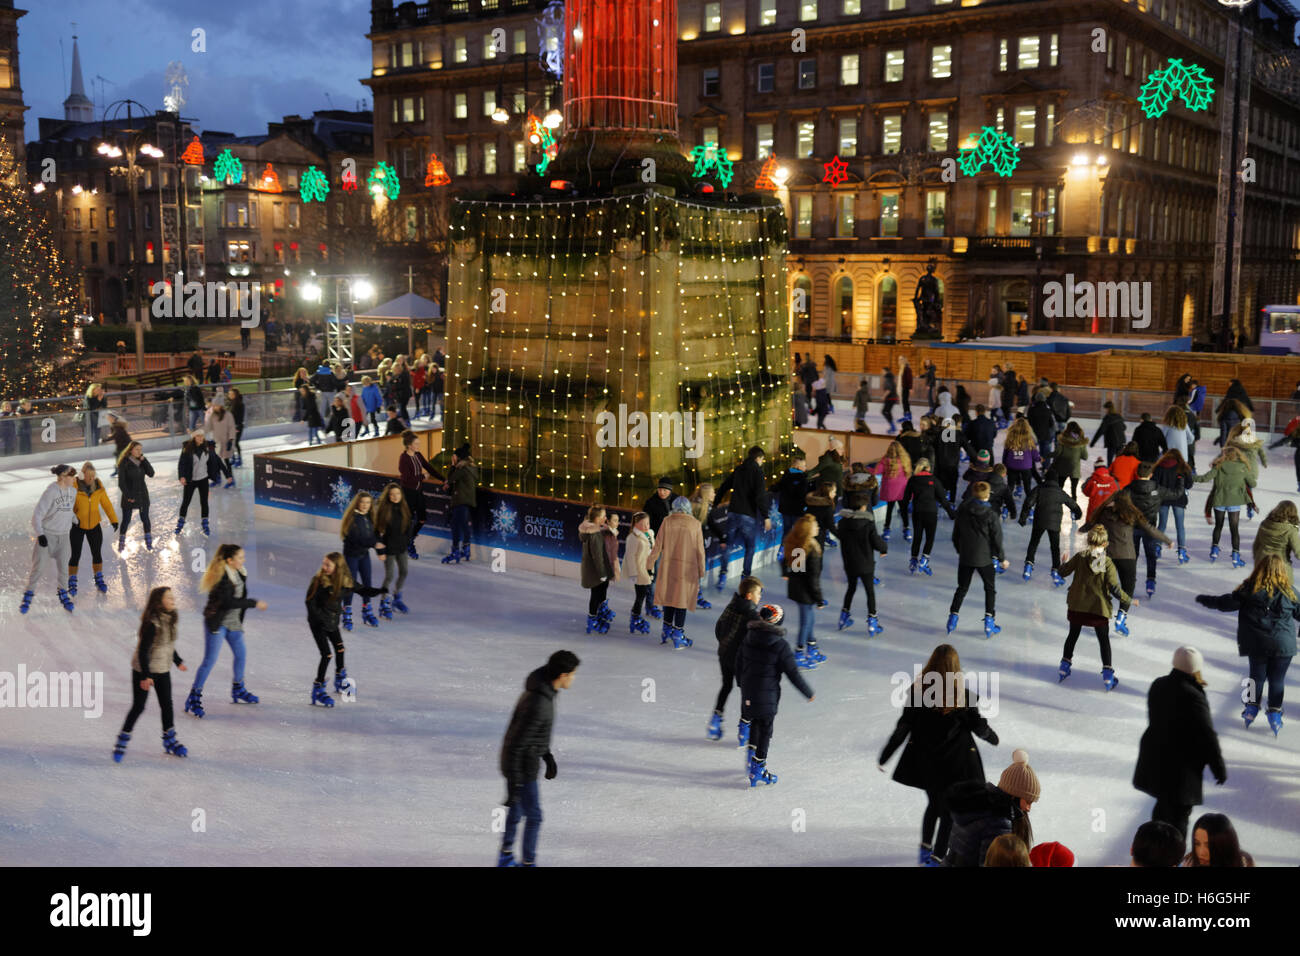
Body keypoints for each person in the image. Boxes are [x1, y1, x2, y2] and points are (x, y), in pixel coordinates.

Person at [878, 643, 999, 866]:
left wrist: (885, 755)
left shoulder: (917, 693)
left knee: (934, 805)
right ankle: (936, 859)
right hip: (956, 765)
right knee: (948, 814)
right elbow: (978, 726)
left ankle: (926, 850)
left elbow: (903, 727)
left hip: (926, 763)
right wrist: (993, 738)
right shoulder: (962, 696)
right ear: (955, 667)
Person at [1196, 553, 1297, 735]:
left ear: (1259, 569)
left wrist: (1205, 600)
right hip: (1283, 644)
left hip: (1257, 643)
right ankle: (1274, 712)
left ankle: (1251, 708)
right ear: (1283, 571)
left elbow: (1225, 603)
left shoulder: (1249, 589)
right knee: (1277, 680)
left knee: (1255, 677)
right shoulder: (1290, 592)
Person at [497, 649, 581, 867]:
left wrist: (547, 755)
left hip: (522, 760)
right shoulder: (540, 703)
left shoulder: (543, 690)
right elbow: (518, 743)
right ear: (562, 676)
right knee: (534, 817)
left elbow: (533, 734)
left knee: (517, 810)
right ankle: (527, 863)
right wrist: (515, 781)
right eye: (572, 674)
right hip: (522, 766)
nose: (574, 678)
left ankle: (505, 856)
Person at [1133, 646, 1227, 840]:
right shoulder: (1193, 695)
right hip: (1182, 767)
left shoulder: (1158, 684)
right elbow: (1207, 734)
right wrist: (1218, 766)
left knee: (1163, 808)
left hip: (1157, 756)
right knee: (1179, 817)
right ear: (1195, 668)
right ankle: (1170, 855)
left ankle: (1154, 849)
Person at [736, 604, 815, 787]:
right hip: (767, 696)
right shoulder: (780, 645)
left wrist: (741, 683)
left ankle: (750, 759)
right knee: (765, 730)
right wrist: (808, 693)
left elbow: (738, 661)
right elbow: (793, 673)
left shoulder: (748, 637)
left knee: (754, 723)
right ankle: (758, 770)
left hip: (748, 692)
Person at [186, 544, 267, 719]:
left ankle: (238, 689)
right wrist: (254, 603)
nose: (243, 560)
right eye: (240, 557)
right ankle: (194, 696)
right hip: (217, 622)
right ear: (230, 560)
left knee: (241, 655)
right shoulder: (221, 578)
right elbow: (229, 602)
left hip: (233, 623)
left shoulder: (239, 572)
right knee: (210, 661)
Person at [113, 587, 189, 762]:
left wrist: (177, 661)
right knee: (139, 706)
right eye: (168, 598)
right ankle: (122, 740)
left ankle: (169, 740)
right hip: (143, 669)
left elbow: (168, 644)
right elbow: (143, 652)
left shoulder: (170, 619)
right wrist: (146, 676)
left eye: (172, 597)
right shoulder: (152, 623)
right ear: (158, 602)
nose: (173, 600)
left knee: (167, 705)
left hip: (162, 669)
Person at [1056, 525, 1130, 689]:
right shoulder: (1107, 562)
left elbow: (1063, 572)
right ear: (1105, 544)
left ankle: (1064, 666)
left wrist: (1062, 563)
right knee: (1103, 641)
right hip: (1098, 608)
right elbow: (1114, 587)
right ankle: (1107, 675)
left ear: (1089, 541)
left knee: (1072, 635)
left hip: (1077, 605)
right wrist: (1128, 600)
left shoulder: (1081, 556)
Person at [1084, 493, 1167, 636]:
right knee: (1128, 588)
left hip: (1106, 554)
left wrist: (1081, 530)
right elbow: (1149, 528)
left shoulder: (1103, 512)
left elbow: (1090, 524)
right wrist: (1166, 540)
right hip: (1127, 556)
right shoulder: (1132, 514)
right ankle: (1121, 618)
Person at [305, 552, 382, 706]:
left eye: (328, 564)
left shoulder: (345, 582)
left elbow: (363, 590)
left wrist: (380, 590)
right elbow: (310, 603)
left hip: (332, 622)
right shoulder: (319, 581)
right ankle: (318, 689)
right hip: (318, 623)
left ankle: (340, 679)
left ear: (338, 568)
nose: (324, 567)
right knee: (326, 655)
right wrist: (320, 618)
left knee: (340, 649)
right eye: (324, 563)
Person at [943, 749, 1040, 867]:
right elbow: (990, 863)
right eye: (1028, 801)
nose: (1029, 808)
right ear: (1015, 795)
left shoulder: (978, 804)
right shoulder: (997, 822)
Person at [947, 481, 1009, 637]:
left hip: (966, 557)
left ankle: (952, 618)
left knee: (962, 588)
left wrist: (960, 551)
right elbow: (997, 539)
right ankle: (989, 622)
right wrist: (1002, 559)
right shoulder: (991, 515)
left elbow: (956, 535)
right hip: (985, 558)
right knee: (989, 589)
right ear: (987, 495)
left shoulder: (963, 509)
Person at [647, 496, 707, 649]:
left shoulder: (667, 521)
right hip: (687, 568)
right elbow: (700, 551)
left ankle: (666, 629)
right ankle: (678, 634)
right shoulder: (695, 524)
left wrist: (649, 564)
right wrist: (701, 570)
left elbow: (657, 545)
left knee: (669, 598)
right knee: (681, 600)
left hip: (668, 567)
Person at [19, 465, 79, 614]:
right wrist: (40, 534)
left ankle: (63, 593)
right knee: (38, 568)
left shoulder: (73, 491)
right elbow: (37, 515)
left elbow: (68, 508)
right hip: (48, 536)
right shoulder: (51, 492)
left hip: (64, 536)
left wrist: (75, 519)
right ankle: (28, 594)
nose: (74, 479)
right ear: (63, 476)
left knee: (64, 569)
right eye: (71, 476)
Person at [710, 575, 763, 744]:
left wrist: (724, 643)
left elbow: (719, 627)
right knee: (746, 692)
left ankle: (715, 719)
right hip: (741, 661)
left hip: (724, 654)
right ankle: (744, 728)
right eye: (758, 594)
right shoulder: (753, 615)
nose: (760, 597)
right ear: (749, 595)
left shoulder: (731, 606)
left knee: (726, 686)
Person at [1122, 461, 1183, 596]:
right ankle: (1151, 581)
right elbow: (1177, 494)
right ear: (1151, 474)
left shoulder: (1128, 489)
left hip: (1132, 527)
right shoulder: (1158, 489)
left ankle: (1130, 582)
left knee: (1133, 555)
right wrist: (1180, 479)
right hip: (1150, 529)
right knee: (1150, 555)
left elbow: (1118, 502)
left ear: (1137, 473)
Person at [717, 445, 772, 583]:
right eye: (762, 460)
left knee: (728, 544)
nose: (762, 462)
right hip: (747, 515)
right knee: (750, 546)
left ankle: (723, 572)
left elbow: (725, 485)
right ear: (758, 458)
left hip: (733, 512)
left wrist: (716, 501)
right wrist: (766, 516)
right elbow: (760, 496)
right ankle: (745, 576)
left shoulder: (739, 469)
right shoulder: (757, 472)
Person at [835, 491, 888, 634]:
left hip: (850, 563)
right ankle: (872, 622)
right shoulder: (868, 524)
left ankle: (843, 617)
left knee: (851, 588)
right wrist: (884, 548)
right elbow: (876, 541)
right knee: (869, 592)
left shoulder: (842, 523)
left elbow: (840, 536)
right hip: (866, 564)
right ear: (864, 506)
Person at [1194, 445, 1256, 565]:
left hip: (1220, 500)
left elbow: (1204, 478)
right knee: (1234, 530)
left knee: (1218, 526)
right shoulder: (1243, 467)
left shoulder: (1219, 466)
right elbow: (1252, 483)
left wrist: (1189, 477)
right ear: (1237, 456)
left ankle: (1214, 551)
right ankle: (1235, 556)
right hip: (1234, 502)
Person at [1019, 471, 1082, 585]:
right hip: (1054, 524)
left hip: (1039, 521)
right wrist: (1078, 514)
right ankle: (1056, 571)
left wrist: (1023, 518)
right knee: (1055, 547)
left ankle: (1028, 565)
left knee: (1034, 543)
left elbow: (1028, 502)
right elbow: (1073, 504)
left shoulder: (1039, 488)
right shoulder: (1060, 492)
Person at [781, 513, 826, 667]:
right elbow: (812, 579)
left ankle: (812, 647)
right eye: (815, 526)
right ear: (808, 531)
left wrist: (786, 573)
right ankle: (799, 653)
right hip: (804, 592)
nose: (818, 527)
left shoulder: (800, 546)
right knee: (806, 621)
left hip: (799, 589)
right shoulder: (810, 551)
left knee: (809, 619)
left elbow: (796, 570)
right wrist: (819, 599)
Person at [68, 462, 118, 597]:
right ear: (82, 474)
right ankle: (72, 580)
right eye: (88, 476)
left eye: (93, 476)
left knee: (97, 553)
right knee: (75, 555)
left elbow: (106, 504)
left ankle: (99, 578)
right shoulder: (74, 487)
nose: (91, 479)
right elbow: (66, 505)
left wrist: (114, 519)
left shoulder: (98, 486)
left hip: (94, 525)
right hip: (77, 525)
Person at [901, 457, 955, 576]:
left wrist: (905, 520)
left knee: (917, 537)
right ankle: (924, 559)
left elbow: (905, 500)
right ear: (929, 468)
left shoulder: (913, 480)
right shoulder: (934, 480)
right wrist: (952, 514)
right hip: (930, 512)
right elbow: (943, 499)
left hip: (917, 512)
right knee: (929, 537)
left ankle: (913, 560)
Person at [398, 429, 444, 560]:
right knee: (409, 519)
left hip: (418, 492)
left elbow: (428, 467)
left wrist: (443, 479)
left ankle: (409, 540)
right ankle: (408, 544)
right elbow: (406, 478)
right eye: (416, 444)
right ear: (409, 445)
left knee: (422, 518)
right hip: (408, 493)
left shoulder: (418, 455)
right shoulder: (404, 458)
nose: (418, 446)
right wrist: (422, 476)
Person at [176, 429, 230, 537]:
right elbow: (181, 463)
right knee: (186, 502)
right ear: (194, 438)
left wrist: (227, 474)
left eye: (202, 436)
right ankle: (180, 523)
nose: (201, 438)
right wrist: (181, 476)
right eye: (198, 436)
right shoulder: (187, 449)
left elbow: (218, 460)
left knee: (204, 502)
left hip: (203, 479)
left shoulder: (208, 448)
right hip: (190, 480)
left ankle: (205, 524)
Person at [340, 491, 382, 630]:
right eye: (362, 502)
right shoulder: (353, 518)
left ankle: (367, 611)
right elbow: (358, 538)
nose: (365, 505)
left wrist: (380, 548)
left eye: (368, 503)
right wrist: (375, 544)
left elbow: (374, 536)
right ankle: (347, 613)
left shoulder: (369, 518)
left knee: (367, 584)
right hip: (351, 555)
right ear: (357, 503)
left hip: (364, 554)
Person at [373, 483, 413, 619]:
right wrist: (380, 551)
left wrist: (407, 542)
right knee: (389, 576)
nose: (395, 497)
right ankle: (383, 602)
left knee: (404, 572)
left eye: (398, 494)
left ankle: (397, 598)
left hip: (401, 547)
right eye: (392, 494)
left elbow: (409, 528)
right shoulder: (384, 511)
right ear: (388, 496)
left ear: (401, 495)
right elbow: (377, 533)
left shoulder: (404, 509)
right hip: (389, 549)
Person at [579, 505, 617, 634]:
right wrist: (602, 573)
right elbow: (597, 556)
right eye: (603, 516)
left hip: (596, 570)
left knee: (600, 592)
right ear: (596, 518)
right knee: (596, 594)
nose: (606, 518)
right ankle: (592, 619)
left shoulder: (595, 530)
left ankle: (598, 615)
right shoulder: (594, 534)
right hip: (596, 571)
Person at [1153, 449, 1193, 565]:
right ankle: (1181, 552)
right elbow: (1189, 484)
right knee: (1180, 527)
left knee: (1162, 524)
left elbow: (1154, 483)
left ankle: (1157, 548)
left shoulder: (1159, 467)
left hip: (1163, 499)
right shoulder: (1183, 467)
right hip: (1179, 499)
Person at [642, 477, 675, 612]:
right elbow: (645, 524)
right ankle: (651, 604)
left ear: (670, 491)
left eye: (665, 490)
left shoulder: (677, 501)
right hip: (656, 543)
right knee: (654, 575)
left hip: (673, 544)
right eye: (660, 489)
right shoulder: (651, 503)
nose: (662, 492)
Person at [116, 442, 155, 552]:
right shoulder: (124, 463)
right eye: (137, 449)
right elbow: (121, 483)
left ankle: (148, 542)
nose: (139, 452)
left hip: (142, 495)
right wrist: (128, 496)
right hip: (129, 496)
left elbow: (151, 473)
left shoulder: (142, 461)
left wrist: (145, 461)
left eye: (140, 449)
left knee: (145, 518)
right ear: (131, 450)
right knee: (126, 520)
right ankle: (122, 542)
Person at [443, 443, 478, 563]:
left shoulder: (462, 469)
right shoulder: (470, 467)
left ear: (459, 457)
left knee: (455, 525)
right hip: (466, 500)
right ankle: (466, 549)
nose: (453, 458)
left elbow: (450, 478)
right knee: (462, 524)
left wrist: (453, 465)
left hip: (460, 500)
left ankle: (455, 551)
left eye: (454, 456)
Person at [872, 441, 913, 540]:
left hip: (890, 489)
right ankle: (907, 530)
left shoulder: (886, 460)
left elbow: (877, 471)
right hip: (903, 489)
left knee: (889, 510)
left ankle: (887, 531)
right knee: (903, 510)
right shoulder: (905, 459)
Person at [1253, 500, 1300, 583]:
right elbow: (1298, 552)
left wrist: (1257, 560)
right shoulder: (1290, 530)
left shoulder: (1264, 524)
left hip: (1261, 563)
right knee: (1282, 593)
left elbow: (1256, 545)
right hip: (1281, 567)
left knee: (1261, 591)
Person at [1183, 814, 1255, 867]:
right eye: (1197, 843)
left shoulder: (1245, 863)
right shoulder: (1187, 862)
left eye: (1209, 846)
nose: (1201, 853)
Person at [624, 512, 655, 635]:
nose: (647, 526)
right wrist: (633, 573)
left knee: (644, 593)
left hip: (648, 568)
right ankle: (635, 617)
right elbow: (630, 557)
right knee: (641, 594)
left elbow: (653, 548)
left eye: (648, 523)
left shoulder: (650, 534)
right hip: (639, 569)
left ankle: (636, 616)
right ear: (636, 524)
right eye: (643, 524)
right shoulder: (633, 538)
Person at [772, 449, 809, 539]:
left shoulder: (786, 476)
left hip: (786, 510)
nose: (806, 468)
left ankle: (782, 551)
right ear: (798, 467)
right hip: (797, 510)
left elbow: (777, 487)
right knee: (799, 532)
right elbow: (803, 495)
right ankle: (797, 551)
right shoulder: (802, 479)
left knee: (787, 531)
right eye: (804, 466)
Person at [1047, 421, 1088, 501]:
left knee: (1059, 488)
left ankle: (1057, 503)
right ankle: (1073, 509)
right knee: (1074, 491)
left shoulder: (1062, 440)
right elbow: (1085, 457)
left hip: (1062, 469)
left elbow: (1057, 453)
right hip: (1074, 470)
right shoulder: (1080, 442)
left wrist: (1047, 455)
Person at [1001, 418, 1040, 499]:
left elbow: (1005, 454)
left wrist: (1004, 464)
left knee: (1010, 486)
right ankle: (1029, 508)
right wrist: (1038, 459)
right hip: (1026, 467)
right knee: (1027, 487)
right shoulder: (1030, 439)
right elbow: (1035, 455)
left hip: (1011, 466)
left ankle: (1006, 507)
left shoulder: (1010, 438)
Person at [205, 404, 237, 488]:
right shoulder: (213, 415)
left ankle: (231, 480)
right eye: (214, 406)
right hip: (217, 442)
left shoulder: (228, 415)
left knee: (226, 462)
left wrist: (231, 439)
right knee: (216, 462)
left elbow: (232, 428)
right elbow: (208, 427)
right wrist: (198, 433)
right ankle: (217, 478)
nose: (215, 407)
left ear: (221, 406)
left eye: (217, 405)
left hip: (226, 442)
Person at [1081, 457, 1119, 523]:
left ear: (1095, 468)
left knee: (1093, 531)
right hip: (1109, 513)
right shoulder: (1113, 480)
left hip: (1093, 512)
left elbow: (1085, 491)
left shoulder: (1091, 480)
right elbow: (1118, 493)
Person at [1091, 401, 1127, 466]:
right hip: (1121, 441)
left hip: (1112, 442)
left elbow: (1100, 431)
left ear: (1107, 409)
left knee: (1110, 462)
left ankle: (1110, 474)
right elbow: (1124, 427)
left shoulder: (1107, 418)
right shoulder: (1119, 416)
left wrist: (1093, 442)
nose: (1104, 411)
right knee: (1119, 461)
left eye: (1105, 409)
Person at [1026, 390, 1056, 461]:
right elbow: (1051, 423)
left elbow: (1029, 421)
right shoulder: (1048, 410)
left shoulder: (1031, 409)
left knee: (1031, 452)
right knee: (1045, 452)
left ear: (1036, 399)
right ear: (1044, 399)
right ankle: (1045, 467)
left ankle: (1031, 467)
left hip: (1034, 434)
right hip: (1045, 435)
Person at [227, 388, 245, 467]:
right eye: (229, 394)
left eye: (232, 394)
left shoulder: (239, 404)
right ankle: (233, 458)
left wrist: (236, 426)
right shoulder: (231, 403)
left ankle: (239, 459)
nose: (230, 395)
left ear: (236, 395)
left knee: (235, 442)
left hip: (237, 426)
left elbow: (239, 417)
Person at [880, 367, 898, 434]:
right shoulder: (890, 378)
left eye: (882, 371)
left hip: (890, 398)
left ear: (886, 371)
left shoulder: (888, 379)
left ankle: (893, 427)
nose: (881, 372)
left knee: (885, 411)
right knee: (887, 411)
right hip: (892, 398)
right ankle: (892, 426)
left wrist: (884, 396)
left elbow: (889, 389)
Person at [899, 356, 914, 422]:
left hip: (906, 387)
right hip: (904, 387)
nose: (900, 361)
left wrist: (910, 388)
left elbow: (909, 378)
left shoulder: (907, 368)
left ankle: (908, 415)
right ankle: (906, 415)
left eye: (901, 360)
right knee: (904, 401)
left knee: (905, 401)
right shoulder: (903, 368)